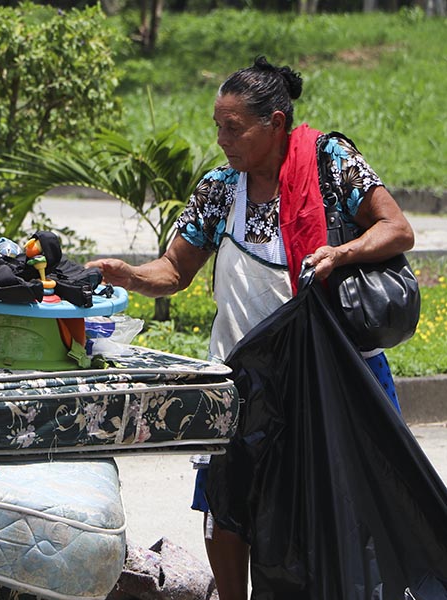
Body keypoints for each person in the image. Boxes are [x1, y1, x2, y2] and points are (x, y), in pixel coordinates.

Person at [85, 56, 414, 600]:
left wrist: (342, 251)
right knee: (225, 502)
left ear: (276, 123)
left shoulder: (331, 163)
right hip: (240, 377)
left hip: (325, 377)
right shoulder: (220, 189)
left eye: (232, 127)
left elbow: (396, 228)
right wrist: (129, 276)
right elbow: (174, 271)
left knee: (338, 507)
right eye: (217, 126)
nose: (221, 140)